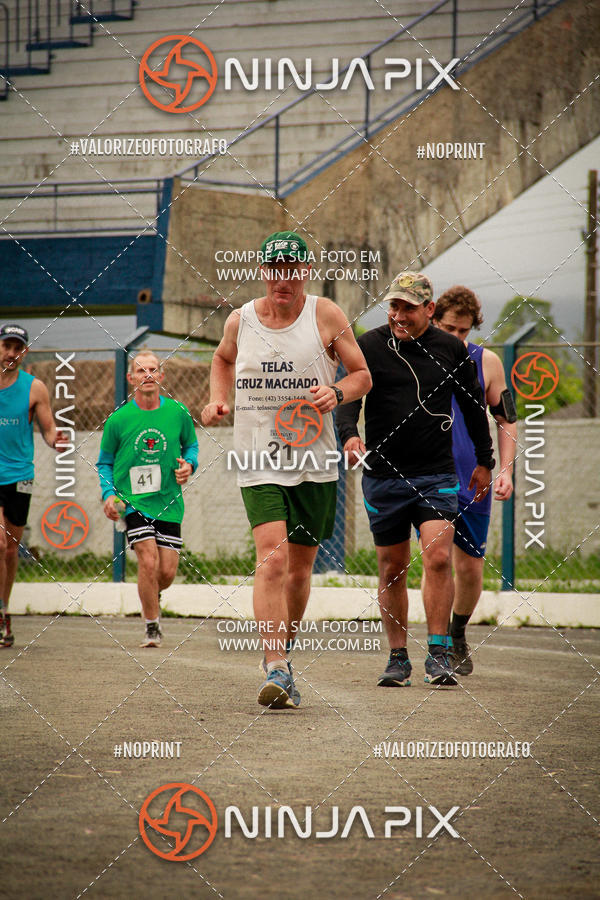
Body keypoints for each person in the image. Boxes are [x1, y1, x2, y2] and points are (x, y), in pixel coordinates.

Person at [201, 230, 371, 709]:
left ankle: (286, 649)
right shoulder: (242, 320)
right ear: (264, 272)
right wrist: (218, 398)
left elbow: (362, 375)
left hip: (315, 459)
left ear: (305, 273)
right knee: (271, 559)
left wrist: (337, 393)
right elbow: (221, 358)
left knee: (299, 571)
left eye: (292, 269)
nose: (284, 278)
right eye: (275, 269)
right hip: (258, 457)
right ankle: (275, 665)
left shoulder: (326, 315)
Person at [336, 272, 494, 687]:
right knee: (391, 567)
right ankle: (398, 656)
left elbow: (474, 408)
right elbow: (348, 394)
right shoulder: (368, 345)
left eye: (408, 307)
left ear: (428, 310)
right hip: (384, 475)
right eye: (393, 306)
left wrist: (485, 459)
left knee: (439, 557)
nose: (398, 315)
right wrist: (350, 434)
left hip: (436, 474)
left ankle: (439, 653)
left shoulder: (450, 349)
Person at [432, 286, 517, 675]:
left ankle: (458, 631)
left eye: (464, 331)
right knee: (436, 561)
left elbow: (508, 419)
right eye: (449, 328)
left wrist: (506, 470)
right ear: (433, 320)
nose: (456, 338)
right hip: (429, 476)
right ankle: (440, 646)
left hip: (474, 479)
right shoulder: (415, 357)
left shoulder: (487, 362)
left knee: (469, 568)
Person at [97, 352, 198, 648]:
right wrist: (109, 493)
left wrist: (189, 465)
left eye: (153, 370)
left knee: (165, 572)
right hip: (132, 501)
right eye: (141, 371)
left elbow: (191, 445)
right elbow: (104, 462)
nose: (148, 375)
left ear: (162, 377)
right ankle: (151, 625)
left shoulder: (178, 412)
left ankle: (153, 595)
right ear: (131, 379)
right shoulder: (118, 419)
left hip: (168, 501)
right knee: (148, 560)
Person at [0, 324, 68, 648]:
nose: (11, 353)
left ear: (24, 352)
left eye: (17, 348)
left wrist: (56, 441)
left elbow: (48, 428)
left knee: (11, 548)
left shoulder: (34, 388)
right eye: (6, 346)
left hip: (19, 476)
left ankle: (4, 607)